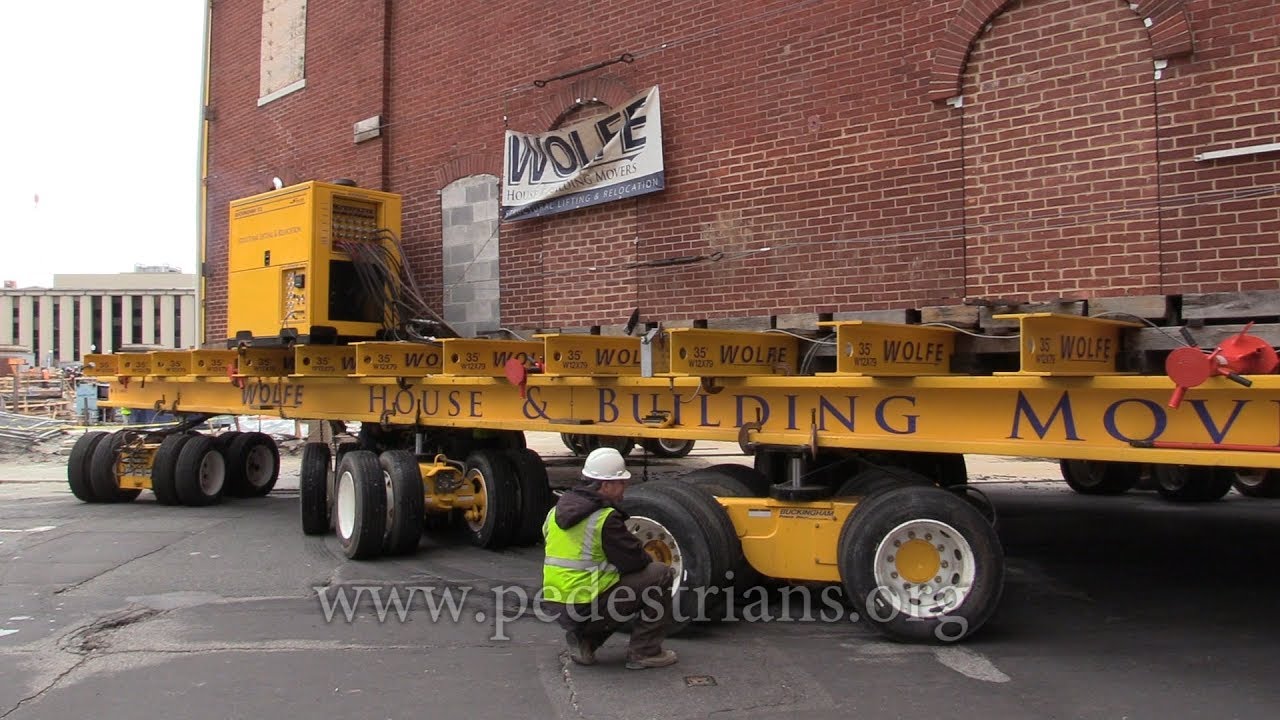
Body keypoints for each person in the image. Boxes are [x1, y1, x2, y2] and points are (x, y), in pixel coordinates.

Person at [541, 446, 678, 670]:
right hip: (585, 605)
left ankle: (585, 640)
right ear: (605, 485)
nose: (625, 488)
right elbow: (635, 561)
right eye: (621, 483)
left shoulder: (555, 511)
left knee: (610, 585)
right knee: (659, 574)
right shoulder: (603, 519)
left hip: (557, 603)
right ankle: (645, 652)